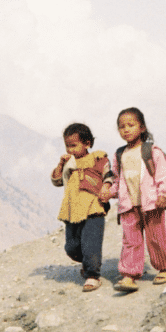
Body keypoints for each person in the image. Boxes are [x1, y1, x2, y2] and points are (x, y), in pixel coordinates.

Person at [100, 107, 166, 292]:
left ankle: (164, 268)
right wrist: (110, 192)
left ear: (141, 127)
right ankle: (129, 274)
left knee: (156, 237)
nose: (126, 129)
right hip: (128, 206)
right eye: (122, 126)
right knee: (130, 241)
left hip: (152, 204)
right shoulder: (119, 154)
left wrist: (162, 194)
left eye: (131, 125)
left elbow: (163, 175)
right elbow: (119, 180)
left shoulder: (152, 151)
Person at [50, 122, 113, 292]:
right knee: (71, 247)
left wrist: (106, 187)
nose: (70, 150)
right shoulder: (68, 164)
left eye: (74, 145)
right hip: (72, 210)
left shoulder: (98, 158)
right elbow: (56, 181)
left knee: (90, 243)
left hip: (93, 208)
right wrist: (60, 165)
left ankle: (92, 275)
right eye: (67, 146)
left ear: (87, 143)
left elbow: (109, 175)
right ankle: (87, 262)